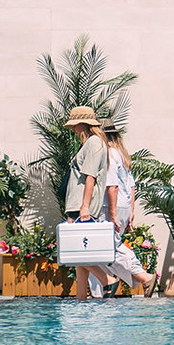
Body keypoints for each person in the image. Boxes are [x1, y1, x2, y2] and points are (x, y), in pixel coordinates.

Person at [98, 123, 157, 296]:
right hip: (123, 205)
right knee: (115, 246)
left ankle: (143, 277)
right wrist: (130, 211)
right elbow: (131, 186)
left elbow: (112, 187)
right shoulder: (123, 156)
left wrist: (113, 214)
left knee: (107, 248)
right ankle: (137, 277)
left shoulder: (109, 154)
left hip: (111, 206)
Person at [61, 105, 111, 300]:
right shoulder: (90, 143)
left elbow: (90, 176)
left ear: (83, 124)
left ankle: (107, 279)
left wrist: (85, 206)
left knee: (74, 250)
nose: (73, 129)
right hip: (77, 204)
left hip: (81, 205)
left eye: (75, 125)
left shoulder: (94, 143)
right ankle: (80, 296)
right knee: (79, 254)